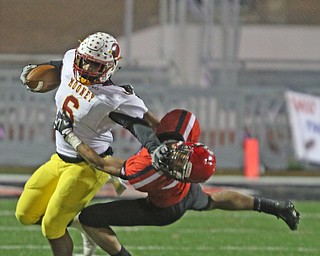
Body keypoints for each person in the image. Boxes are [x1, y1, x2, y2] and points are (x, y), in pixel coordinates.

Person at [54, 108, 300, 256]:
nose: (177, 156)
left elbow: (100, 162)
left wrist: (69, 134)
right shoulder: (185, 132)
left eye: (180, 164)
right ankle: (275, 207)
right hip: (188, 194)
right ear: (192, 144)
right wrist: (123, 107)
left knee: (90, 218)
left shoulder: (149, 173)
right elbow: (152, 125)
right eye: (184, 155)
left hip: (163, 209)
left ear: (179, 174)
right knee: (211, 201)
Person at [15, 32, 159, 256]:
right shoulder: (72, 61)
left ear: (110, 67)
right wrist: (39, 73)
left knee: (52, 227)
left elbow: (136, 126)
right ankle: (80, 226)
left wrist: (153, 146)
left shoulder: (111, 98)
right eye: (84, 61)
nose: (86, 68)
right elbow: (60, 67)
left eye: (95, 65)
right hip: (60, 157)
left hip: (88, 167)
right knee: (25, 214)